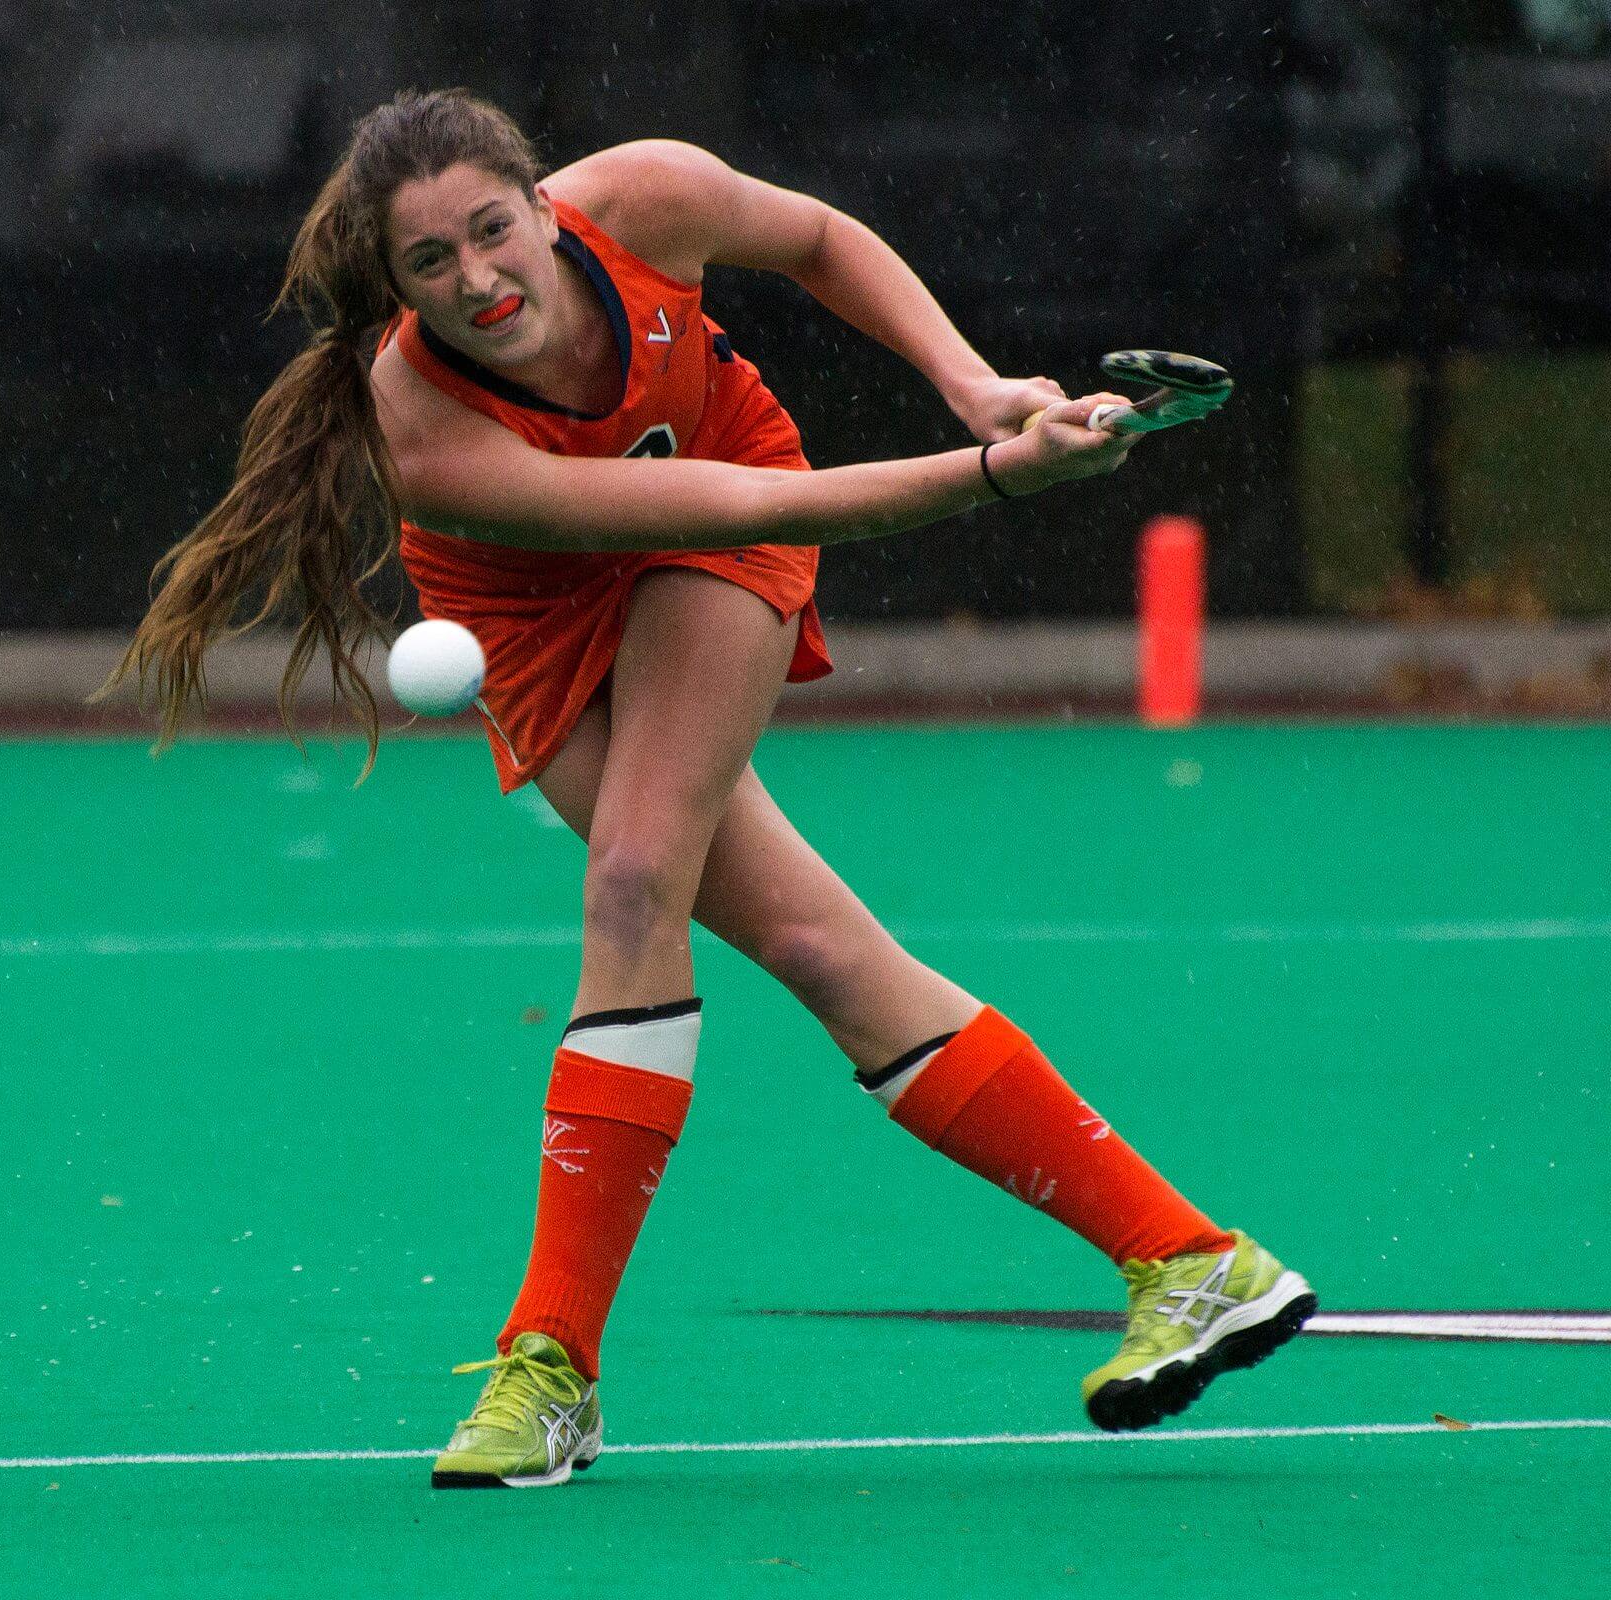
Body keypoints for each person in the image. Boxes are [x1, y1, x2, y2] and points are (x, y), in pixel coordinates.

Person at [97, 89, 1316, 1490]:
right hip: (539, 603)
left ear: (544, 204)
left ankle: (548, 1365)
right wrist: (998, 475)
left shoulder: (650, 198)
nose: (479, 279)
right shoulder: (424, 436)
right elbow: (744, 509)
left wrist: (977, 391)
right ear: (396, 289)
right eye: (430, 263)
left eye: (493, 230)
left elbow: (818, 247)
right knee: (817, 949)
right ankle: (1192, 1259)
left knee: (632, 881)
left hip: (726, 504)